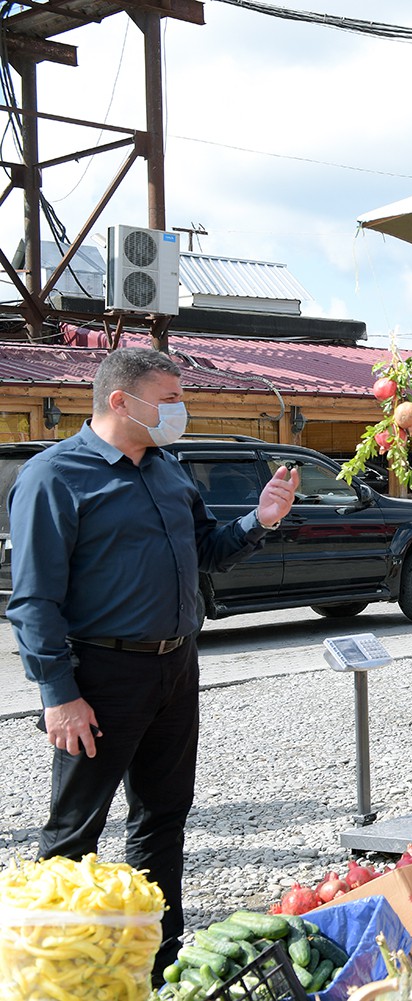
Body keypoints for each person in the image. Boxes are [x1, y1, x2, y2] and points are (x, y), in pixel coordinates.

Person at [7, 347, 299, 980]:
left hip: (175, 668)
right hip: (100, 678)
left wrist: (260, 518)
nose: (179, 409)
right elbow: (33, 600)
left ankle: (158, 966)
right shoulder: (55, 477)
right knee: (74, 830)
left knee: (163, 817)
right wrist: (58, 693)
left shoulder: (169, 471)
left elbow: (207, 552)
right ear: (121, 401)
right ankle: (47, 973)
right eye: (168, 398)